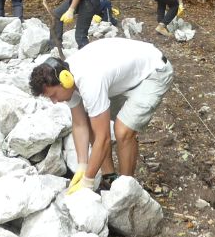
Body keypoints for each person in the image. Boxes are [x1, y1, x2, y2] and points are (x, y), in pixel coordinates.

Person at [29, 38, 173, 193]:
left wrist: (88, 181)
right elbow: (79, 124)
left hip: (153, 72)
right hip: (125, 77)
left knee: (123, 131)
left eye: (54, 95)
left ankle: (125, 191)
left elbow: (103, 138)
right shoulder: (65, 75)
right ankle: (110, 177)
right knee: (92, 120)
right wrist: (82, 166)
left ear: (65, 81)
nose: (55, 101)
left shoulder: (89, 81)